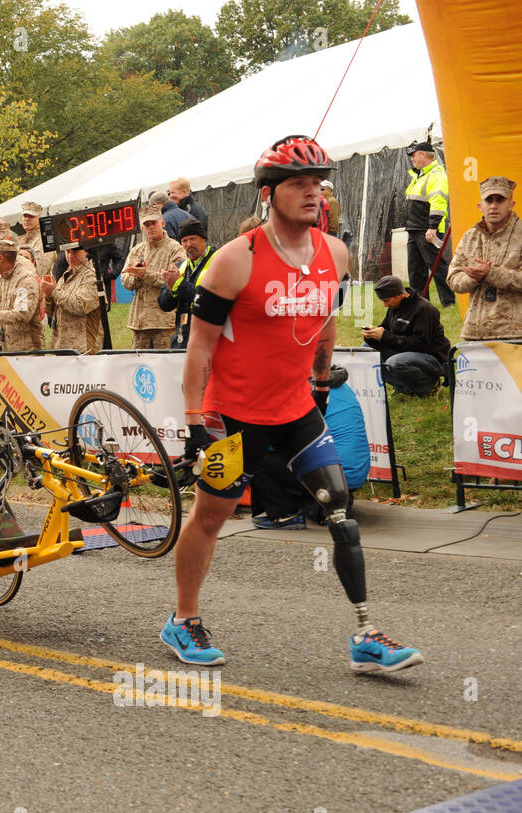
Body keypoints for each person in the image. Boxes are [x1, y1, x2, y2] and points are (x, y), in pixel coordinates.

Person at [169, 133, 423, 674]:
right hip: (232, 416)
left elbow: (326, 320)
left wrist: (321, 379)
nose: (313, 194)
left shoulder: (335, 252)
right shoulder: (234, 261)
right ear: (270, 193)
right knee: (211, 518)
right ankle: (183, 618)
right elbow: (200, 346)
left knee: (340, 511)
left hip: (295, 410)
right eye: (299, 184)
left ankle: (365, 633)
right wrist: (194, 419)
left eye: (318, 184)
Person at [251, 365, 369, 528]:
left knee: (253, 454)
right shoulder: (339, 385)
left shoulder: (303, 392)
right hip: (353, 474)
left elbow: (276, 440)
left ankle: (284, 514)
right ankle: (328, 505)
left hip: (333, 471)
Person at [447, 175, 522, 341]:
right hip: (475, 334)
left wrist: (491, 273)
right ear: (481, 206)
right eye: (489, 200)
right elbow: (453, 279)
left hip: (515, 336)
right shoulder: (470, 237)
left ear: (511, 204)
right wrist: (473, 278)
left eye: (500, 200)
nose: (494, 206)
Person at [362, 275, 451, 396]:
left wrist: (384, 337)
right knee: (365, 351)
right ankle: (405, 388)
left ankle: (429, 385)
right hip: (406, 351)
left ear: (399, 295)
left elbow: (421, 344)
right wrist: (371, 335)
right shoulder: (395, 306)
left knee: (395, 362)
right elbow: (385, 330)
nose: (384, 305)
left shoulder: (425, 309)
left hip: (432, 357)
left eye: (386, 300)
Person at [122, 205, 185, 348]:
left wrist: (146, 274)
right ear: (142, 228)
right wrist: (136, 276)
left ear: (162, 223)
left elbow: (175, 280)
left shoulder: (175, 249)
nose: (150, 227)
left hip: (163, 322)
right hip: (139, 323)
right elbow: (125, 279)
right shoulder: (138, 249)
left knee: (165, 367)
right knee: (139, 366)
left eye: (153, 223)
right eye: (146, 224)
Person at [403, 142, 454, 307]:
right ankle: (420, 302)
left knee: (437, 266)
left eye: (413, 155)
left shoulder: (437, 175)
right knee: (415, 269)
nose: (411, 158)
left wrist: (432, 227)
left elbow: (438, 203)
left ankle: (449, 301)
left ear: (423, 155)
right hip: (415, 228)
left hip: (427, 229)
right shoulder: (420, 176)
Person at [158, 219, 217, 349]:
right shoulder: (181, 266)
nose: (189, 244)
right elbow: (164, 305)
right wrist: (170, 290)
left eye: (193, 239)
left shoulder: (219, 261)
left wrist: (179, 284)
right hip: (183, 337)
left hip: (211, 339)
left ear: (204, 239)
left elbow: (210, 302)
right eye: (184, 241)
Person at [41, 239, 104, 353]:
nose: (70, 256)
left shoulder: (92, 276)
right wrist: (49, 297)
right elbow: (53, 313)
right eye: (67, 252)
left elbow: (81, 306)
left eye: (75, 252)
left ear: (86, 252)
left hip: (83, 350)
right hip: (62, 347)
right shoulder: (66, 276)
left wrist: (54, 292)